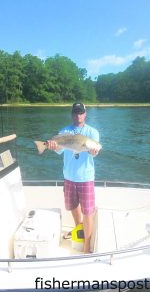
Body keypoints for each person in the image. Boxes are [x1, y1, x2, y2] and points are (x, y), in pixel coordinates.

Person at [46, 103, 100, 253]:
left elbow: (94, 152)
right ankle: (79, 229)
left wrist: (94, 151)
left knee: (88, 211)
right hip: (69, 176)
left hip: (86, 177)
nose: (78, 115)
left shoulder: (92, 132)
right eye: (76, 112)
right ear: (72, 114)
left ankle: (86, 245)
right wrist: (52, 146)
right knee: (72, 206)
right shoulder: (65, 131)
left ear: (85, 114)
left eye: (81, 112)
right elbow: (59, 150)